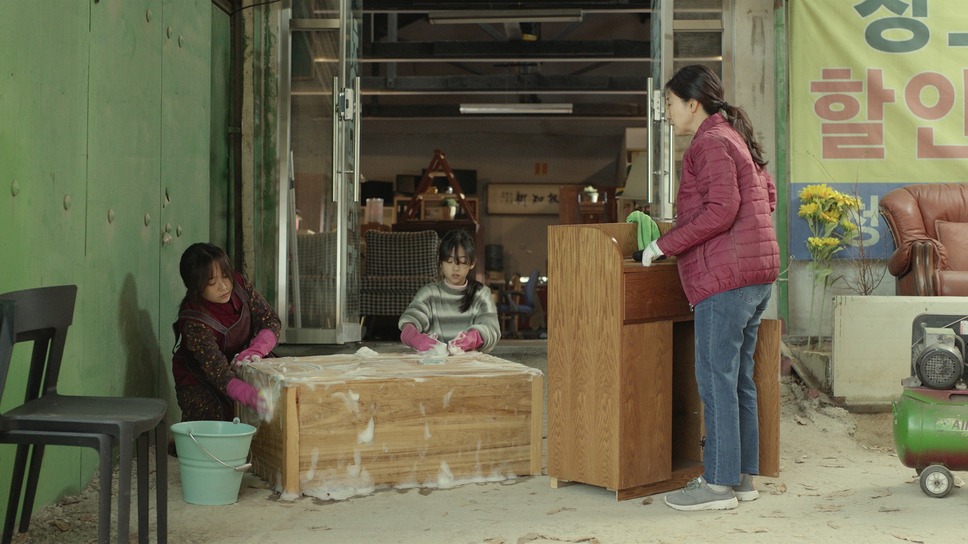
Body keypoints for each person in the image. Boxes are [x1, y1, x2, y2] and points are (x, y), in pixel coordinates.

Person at [642, 65, 780, 511]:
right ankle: (741, 480)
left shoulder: (710, 143)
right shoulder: (734, 137)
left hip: (726, 281)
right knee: (737, 379)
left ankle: (718, 485)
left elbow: (722, 210)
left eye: (669, 103)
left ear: (692, 103)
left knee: (716, 379)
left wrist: (664, 244)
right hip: (754, 276)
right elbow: (767, 197)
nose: (666, 113)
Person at [171, 242, 281, 423]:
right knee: (217, 421)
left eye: (225, 276)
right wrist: (251, 396)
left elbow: (270, 319)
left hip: (241, 358)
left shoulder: (240, 286)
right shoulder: (194, 321)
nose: (223, 286)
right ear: (196, 287)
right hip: (202, 376)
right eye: (212, 283)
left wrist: (256, 350)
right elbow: (217, 372)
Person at [399, 229, 501, 354]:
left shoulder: (480, 294)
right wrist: (415, 338)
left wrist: (473, 338)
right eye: (449, 261)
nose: (455, 268)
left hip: (470, 365)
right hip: (433, 363)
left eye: (462, 262)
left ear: (472, 263)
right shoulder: (429, 294)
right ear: (440, 262)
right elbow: (409, 322)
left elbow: (492, 329)